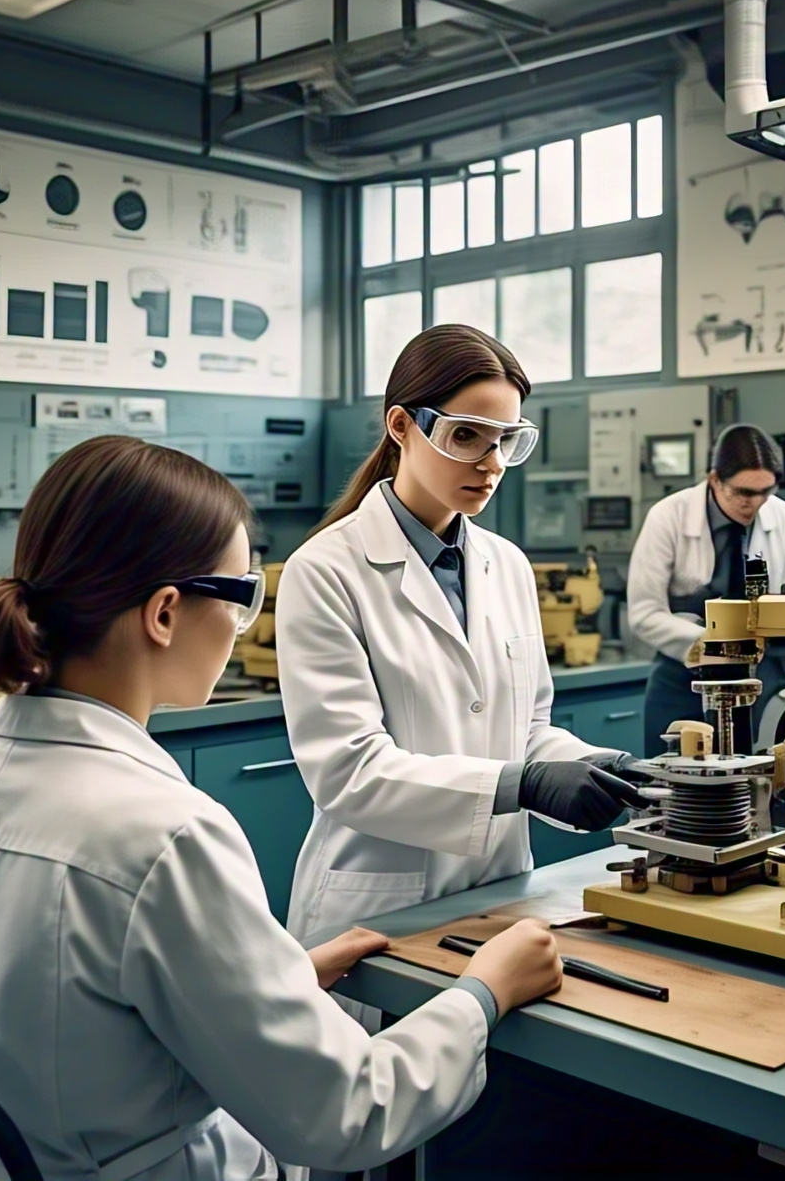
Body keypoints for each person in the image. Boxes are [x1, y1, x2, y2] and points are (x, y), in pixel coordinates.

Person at [0, 435, 563, 1181]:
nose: (243, 628)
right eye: (242, 596)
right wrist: (485, 993)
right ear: (166, 614)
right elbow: (346, 1112)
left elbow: (74, 1020)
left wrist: (280, 977)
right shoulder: (164, 835)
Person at [276, 325, 645, 950]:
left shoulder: (507, 565)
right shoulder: (326, 570)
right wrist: (519, 784)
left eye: (507, 441)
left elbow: (524, 728)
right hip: (379, 908)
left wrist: (599, 766)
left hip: (499, 893)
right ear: (402, 427)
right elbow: (349, 771)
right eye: (467, 436)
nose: (492, 464)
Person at [628, 423, 785, 759]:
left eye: (766, 491)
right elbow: (643, 613)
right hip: (684, 673)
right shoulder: (668, 516)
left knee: (761, 774)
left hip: (758, 672)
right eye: (744, 493)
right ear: (714, 480)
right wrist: (709, 642)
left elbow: (780, 596)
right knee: (674, 781)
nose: (755, 504)